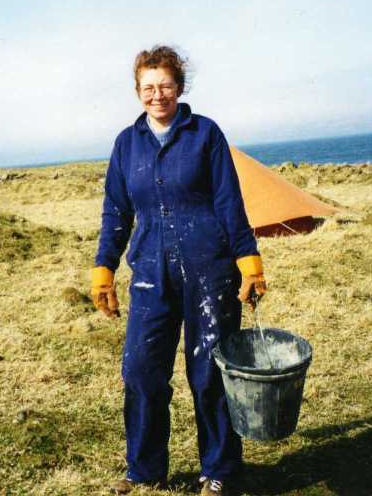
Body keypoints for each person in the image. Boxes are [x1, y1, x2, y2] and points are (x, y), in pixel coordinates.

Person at [90, 45, 267, 496]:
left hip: (210, 273)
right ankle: (146, 470)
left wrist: (250, 264)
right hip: (150, 275)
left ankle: (220, 471)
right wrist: (103, 271)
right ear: (137, 91)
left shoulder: (205, 134)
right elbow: (116, 213)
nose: (157, 95)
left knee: (209, 372)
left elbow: (230, 203)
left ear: (179, 87)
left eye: (165, 85)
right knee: (141, 373)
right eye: (148, 87)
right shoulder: (126, 145)